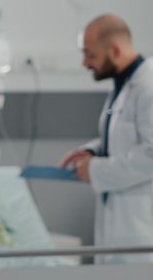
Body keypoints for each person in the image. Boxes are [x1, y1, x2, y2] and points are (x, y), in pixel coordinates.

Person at [58, 14, 153, 264]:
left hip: (143, 226)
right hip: (124, 222)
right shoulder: (124, 85)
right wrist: (92, 152)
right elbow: (123, 139)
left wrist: (95, 170)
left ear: (115, 50)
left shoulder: (149, 86)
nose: (85, 63)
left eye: (90, 54)